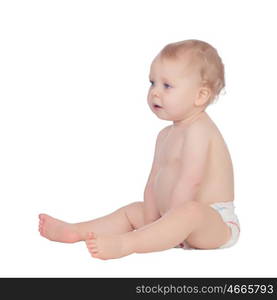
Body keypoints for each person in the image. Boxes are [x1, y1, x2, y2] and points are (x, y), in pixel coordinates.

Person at [38, 39, 240, 260]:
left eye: (167, 86)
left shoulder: (199, 130)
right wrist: (153, 220)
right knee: (134, 211)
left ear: (200, 95)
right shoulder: (164, 136)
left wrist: (168, 224)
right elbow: (154, 182)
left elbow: (190, 182)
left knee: (190, 212)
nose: (155, 92)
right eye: (152, 83)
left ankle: (127, 243)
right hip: (171, 217)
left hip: (212, 222)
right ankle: (76, 231)